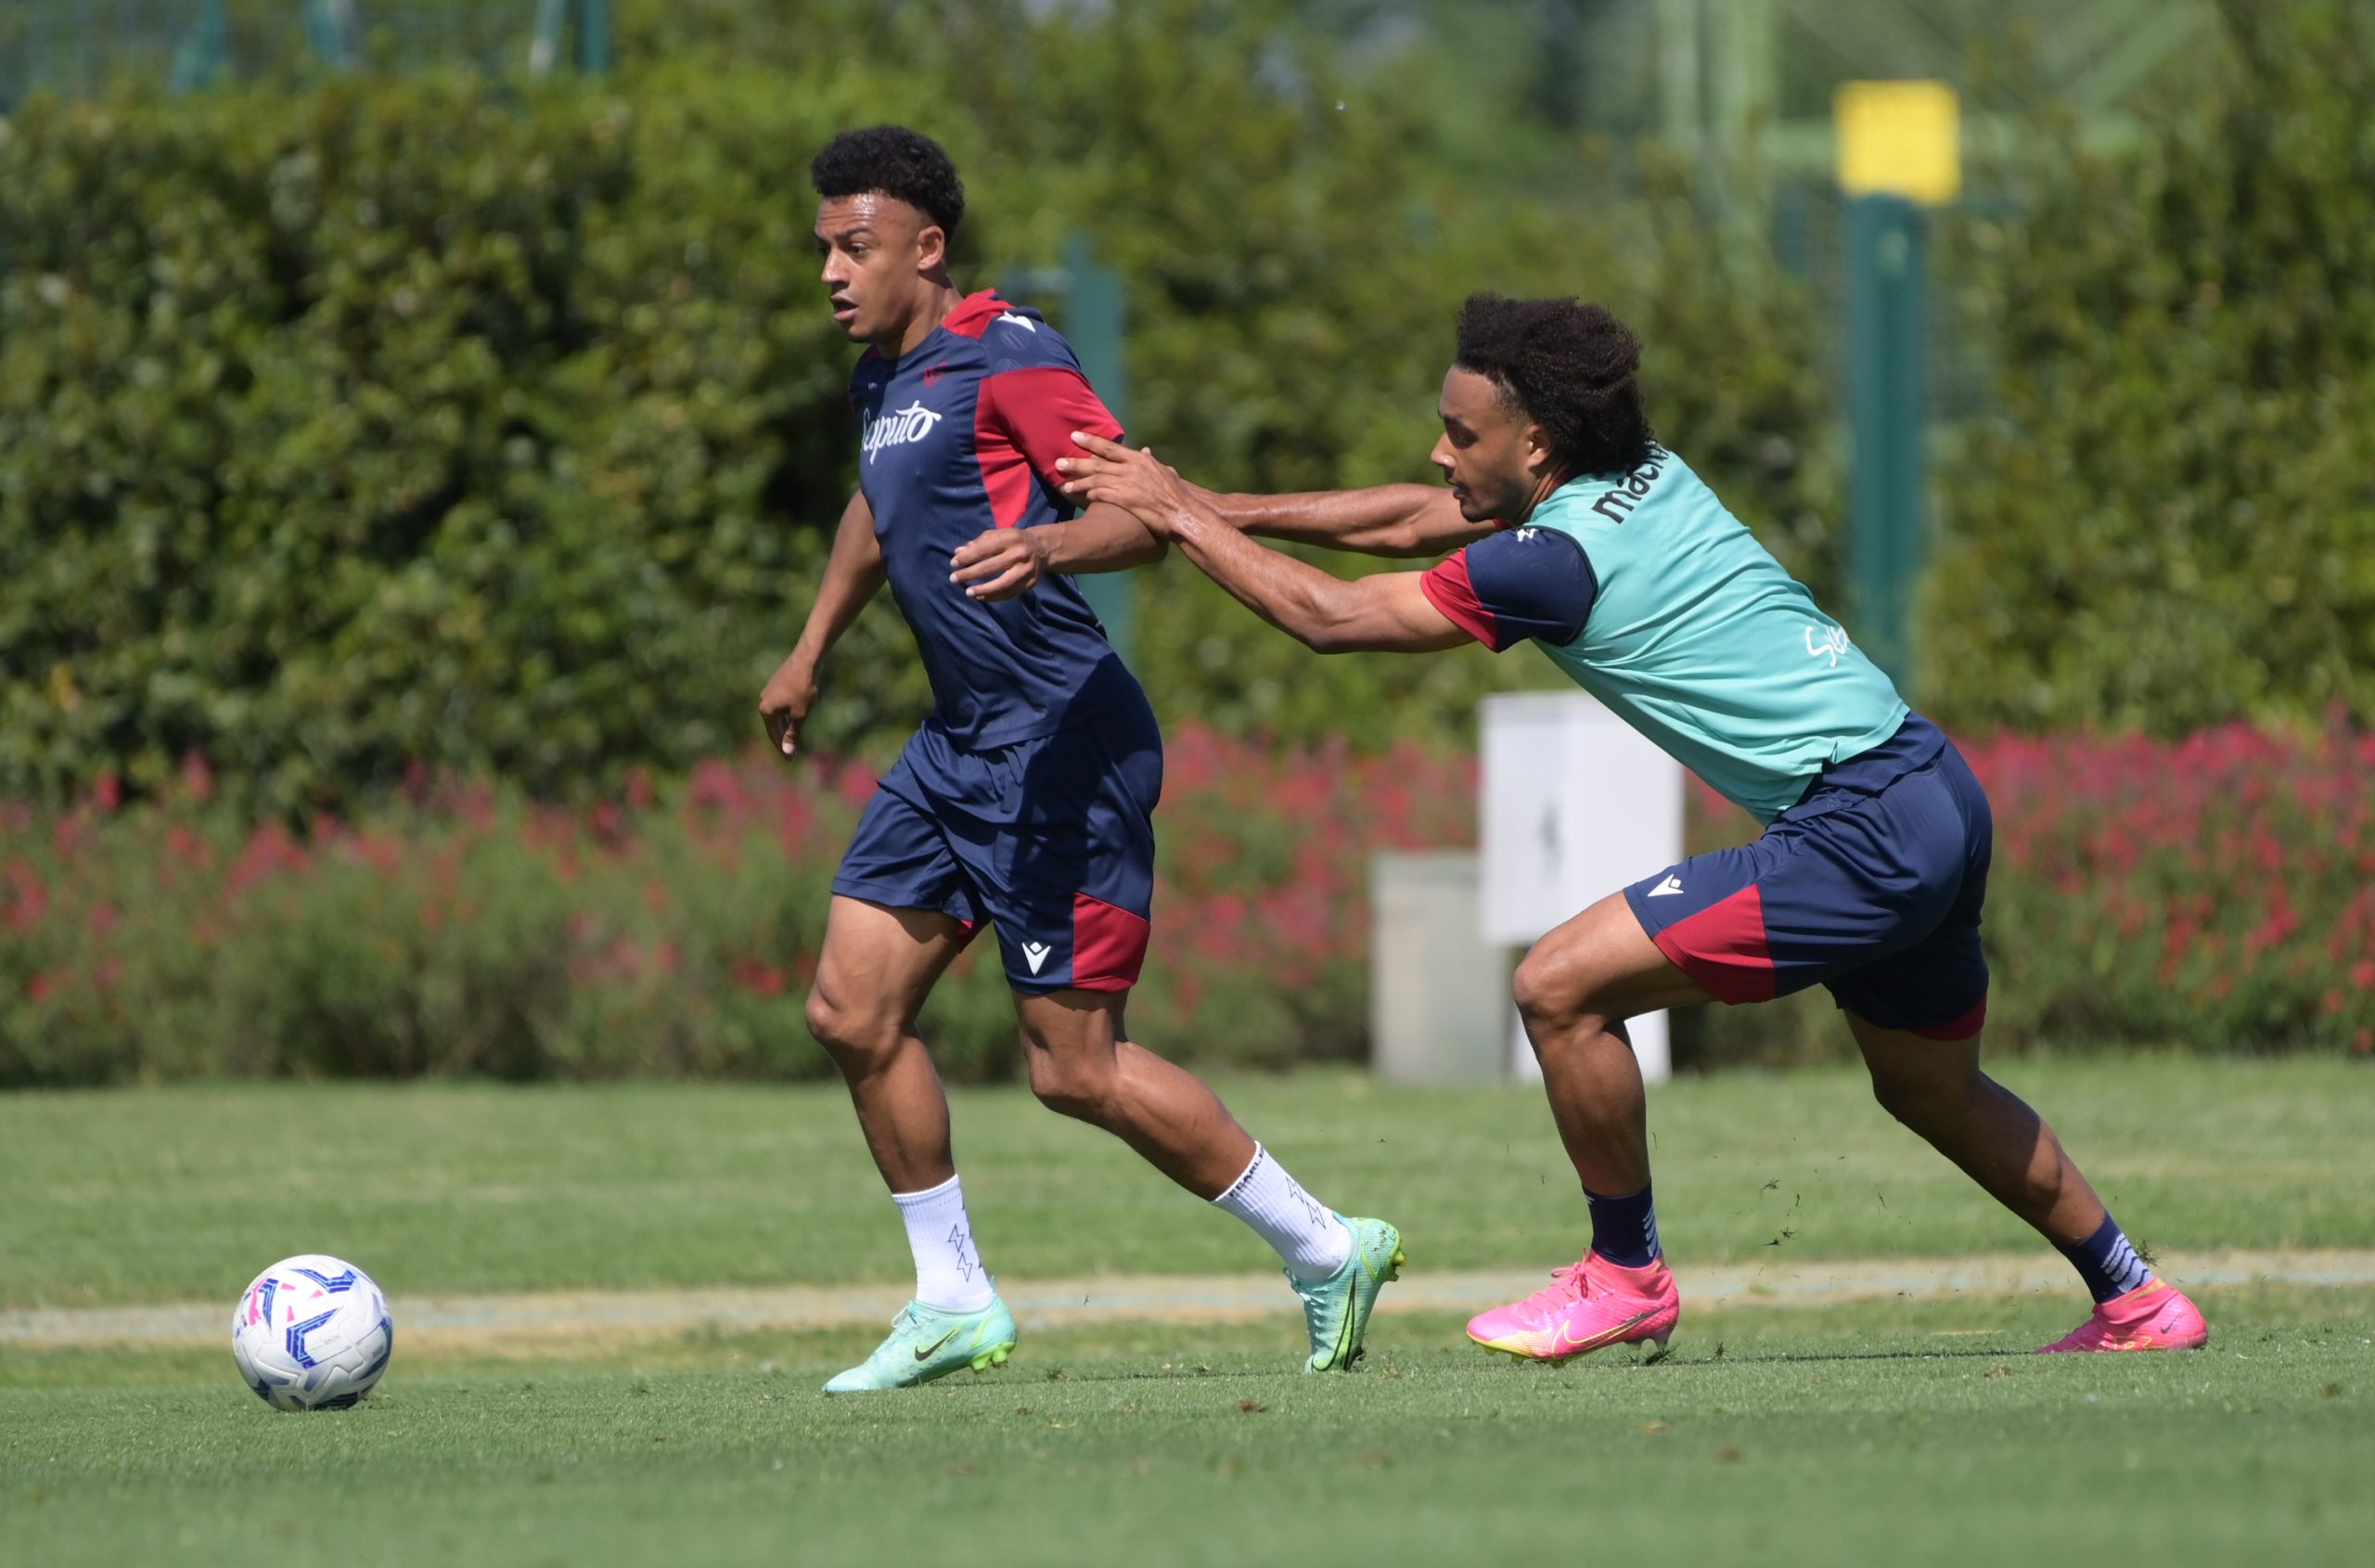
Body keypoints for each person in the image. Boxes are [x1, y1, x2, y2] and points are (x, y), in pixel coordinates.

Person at [1052, 291, 2208, 1360]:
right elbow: (1421, 519)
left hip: (1859, 826)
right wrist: (1204, 501)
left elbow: (1331, 617)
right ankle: (2137, 1298)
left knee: (1557, 985)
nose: (1438, 453)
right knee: (1931, 1090)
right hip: (1932, 785)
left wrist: (1172, 518)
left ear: (1535, 446)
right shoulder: (1643, 471)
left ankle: (1626, 1272)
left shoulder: (1553, 563)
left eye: (1460, 434)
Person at [757, 126, 1404, 1394]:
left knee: (1075, 1068)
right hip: (960, 747)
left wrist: (1050, 548)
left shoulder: (1010, 355)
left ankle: (1328, 1246)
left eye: (857, 247)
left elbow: (1144, 513)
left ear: (926, 250)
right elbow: (876, 511)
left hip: (1064, 743)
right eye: (824, 249)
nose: (832, 272)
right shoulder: (885, 381)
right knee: (850, 1009)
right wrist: (810, 643)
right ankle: (952, 1298)